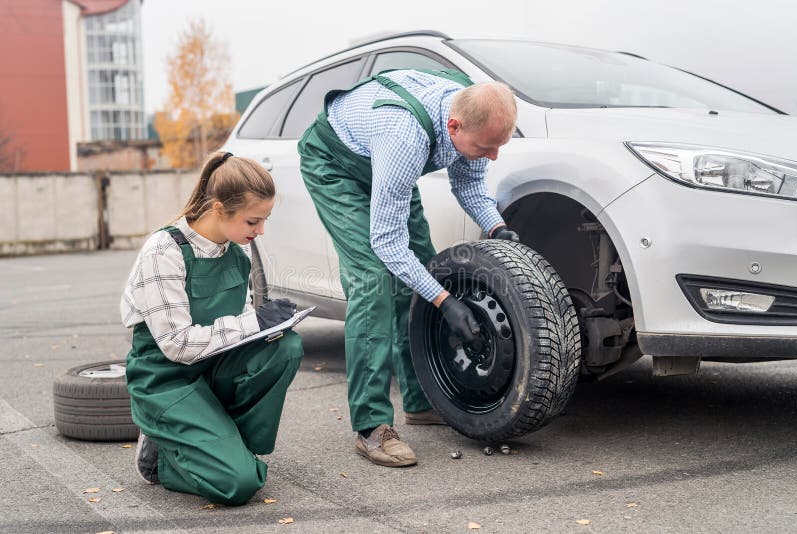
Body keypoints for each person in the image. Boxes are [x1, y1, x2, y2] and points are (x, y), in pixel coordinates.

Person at [297, 69, 520, 467]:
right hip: (336, 166)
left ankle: (421, 400)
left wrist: (498, 227)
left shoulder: (467, 109)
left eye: (498, 147)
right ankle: (371, 427)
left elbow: (469, 186)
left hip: (383, 165)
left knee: (422, 267)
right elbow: (387, 245)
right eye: (487, 147)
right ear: (453, 126)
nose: (493, 156)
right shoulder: (404, 136)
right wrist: (446, 302)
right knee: (375, 279)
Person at [120, 151, 304, 505]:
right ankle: (162, 458)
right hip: (166, 380)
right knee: (237, 485)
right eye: (253, 221)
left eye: (264, 220)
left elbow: (241, 327)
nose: (261, 231)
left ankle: (226, 444)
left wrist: (272, 325)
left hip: (213, 368)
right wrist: (255, 321)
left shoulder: (237, 251)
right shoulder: (164, 251)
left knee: (286, 346)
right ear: (219, 209)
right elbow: (175, 344)